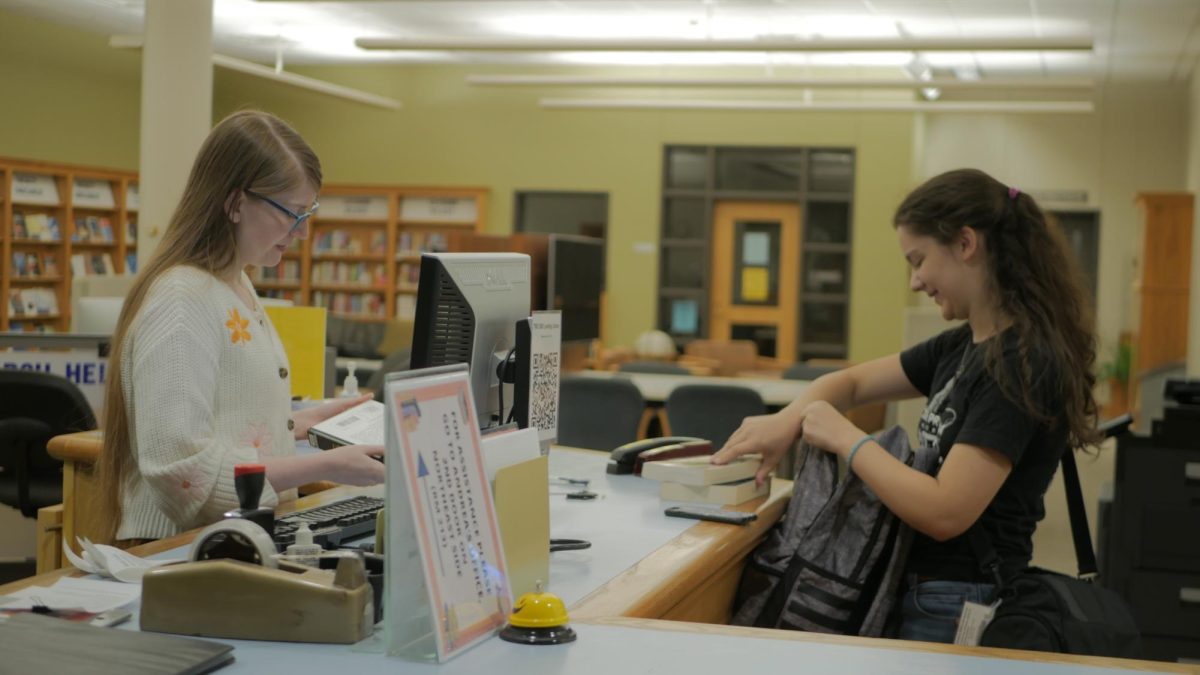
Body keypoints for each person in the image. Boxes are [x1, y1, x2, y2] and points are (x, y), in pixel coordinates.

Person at [713, 168, 1099, 643]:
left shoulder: (1020, 365)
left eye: (919, 260)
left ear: (965, 244)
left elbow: (946, 511)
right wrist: (786, 421)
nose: (915, 282)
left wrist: (847, 440)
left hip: (959, 601)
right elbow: (850, 383)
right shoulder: (962, 347)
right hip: (928, 590)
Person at [96, 110, 385, 543]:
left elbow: (220, 414)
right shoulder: (182, 300)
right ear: (234, 202)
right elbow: (182, 470)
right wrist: (327, 465)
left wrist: (300, 422)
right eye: (291, 212)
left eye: (307, 214)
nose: (301, 233)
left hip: (225, 540)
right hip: (175, 551)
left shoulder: (233, 282)